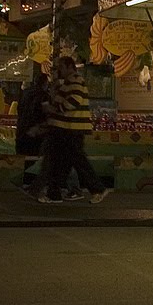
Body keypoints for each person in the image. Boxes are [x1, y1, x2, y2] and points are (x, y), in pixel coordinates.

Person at [40, 57, 107, 203]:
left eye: (61, 67)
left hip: (70, 128)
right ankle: (55, 192)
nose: (59, 71)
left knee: (73, 160)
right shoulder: (67, 83)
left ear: (69, 67)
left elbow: (72, 103)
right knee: (62, 161)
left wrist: (53, 109)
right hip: (66, 127)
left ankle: (96, 188)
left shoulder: (75, 81)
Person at [15, 70, 49, 191]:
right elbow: (45, 112)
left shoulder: (25, 93)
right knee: (34, 158)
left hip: (21, 130)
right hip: (34, 132)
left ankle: (18, 180)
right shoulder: (43, 95)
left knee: (22, 158)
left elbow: (19, 110)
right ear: (45, 84)